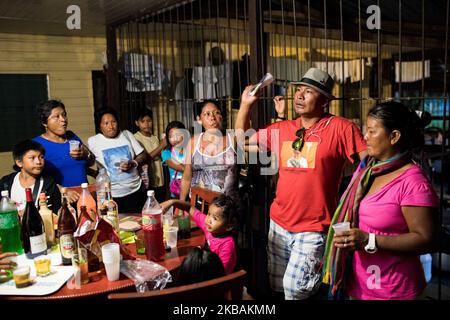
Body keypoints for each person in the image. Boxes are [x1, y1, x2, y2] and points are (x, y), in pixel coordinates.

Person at [234, 67, 367, 300]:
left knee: (296, 291)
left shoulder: (342, 128)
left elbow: (369, 164)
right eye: (299, 90)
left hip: (314, 227)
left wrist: (356, 204)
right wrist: (246, 104)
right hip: (279, 222)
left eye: (309, 91)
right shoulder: (283, 129)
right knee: (279, 288)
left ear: (325, 100)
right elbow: (241, 142)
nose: (300, 95)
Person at [323, 101, 439, 300]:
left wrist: (370, 240)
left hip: (394, 290)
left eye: (371, 131)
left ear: (394, 137)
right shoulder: (368, 170)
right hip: (360, 285)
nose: (365, 137)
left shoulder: (413, 182)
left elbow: (426, 239)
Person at [33, 100, 94, 203]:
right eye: (56, 117)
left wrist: (85, 154)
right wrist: (63, 190)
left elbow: (91, 161)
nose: (63, 120)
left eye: (64, 115)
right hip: (59, 202)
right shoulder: (36, 145)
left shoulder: (72, 137)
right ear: (44, 122)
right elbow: (33, 179)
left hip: (84, 198)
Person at [87, 108, 147, 213]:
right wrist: (97, 176)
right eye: (106, 123)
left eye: (113, 122)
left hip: (134, 190)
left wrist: (133, 163)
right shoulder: (93, 141)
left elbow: (142, 155)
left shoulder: (126, 135)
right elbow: (87, 163)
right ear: (99, 126)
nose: (111, 126)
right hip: (110, 195)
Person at [161, 194, 238, 274]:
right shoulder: (210, 227)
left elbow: (221, 274)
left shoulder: (227, 245)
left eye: (215, 218)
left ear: (229, 226)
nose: (208, 219)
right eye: (208, 214)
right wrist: (172, 202)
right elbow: (189, 207)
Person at [179, 101, 238, 201]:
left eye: (217, 113)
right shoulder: (193, 142)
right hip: (199, 205)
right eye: (207, 114)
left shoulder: (233, 139)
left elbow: (257, 145)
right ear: (199, 119)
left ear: (221, 117)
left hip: (227, 207)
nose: (212, 118)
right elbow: (186, 177)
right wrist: (181, 204)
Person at [0, 139, 61, 215]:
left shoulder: (49, 184)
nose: (38, 162)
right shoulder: (6, 182)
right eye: (32, 158)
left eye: (41, 157)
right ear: (19, 162)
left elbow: (56, 213)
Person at [134, 109, 166, 202]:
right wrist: (161, 146)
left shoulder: (154, 137)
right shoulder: (136, 138)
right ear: (137, 123)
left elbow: (159, 154)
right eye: (143, 121)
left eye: (149, 121)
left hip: (160, 180)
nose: (146, 124)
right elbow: (145, 158)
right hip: (148, 181)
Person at [161, 121, 187, 199]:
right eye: (171, 136)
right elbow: (183, 168)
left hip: (192, 191)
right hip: (177, 192)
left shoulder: (191, 149)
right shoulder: (166, 153)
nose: (175, 139)